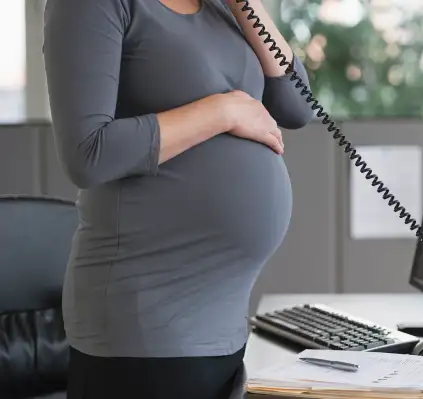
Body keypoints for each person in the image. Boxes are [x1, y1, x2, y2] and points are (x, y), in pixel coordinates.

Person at [42, 0, 313, 397]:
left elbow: (297, 105)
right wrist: (222, 110)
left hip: (222, 325)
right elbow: (88, 153)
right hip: (142, 322)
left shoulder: (224, 8)